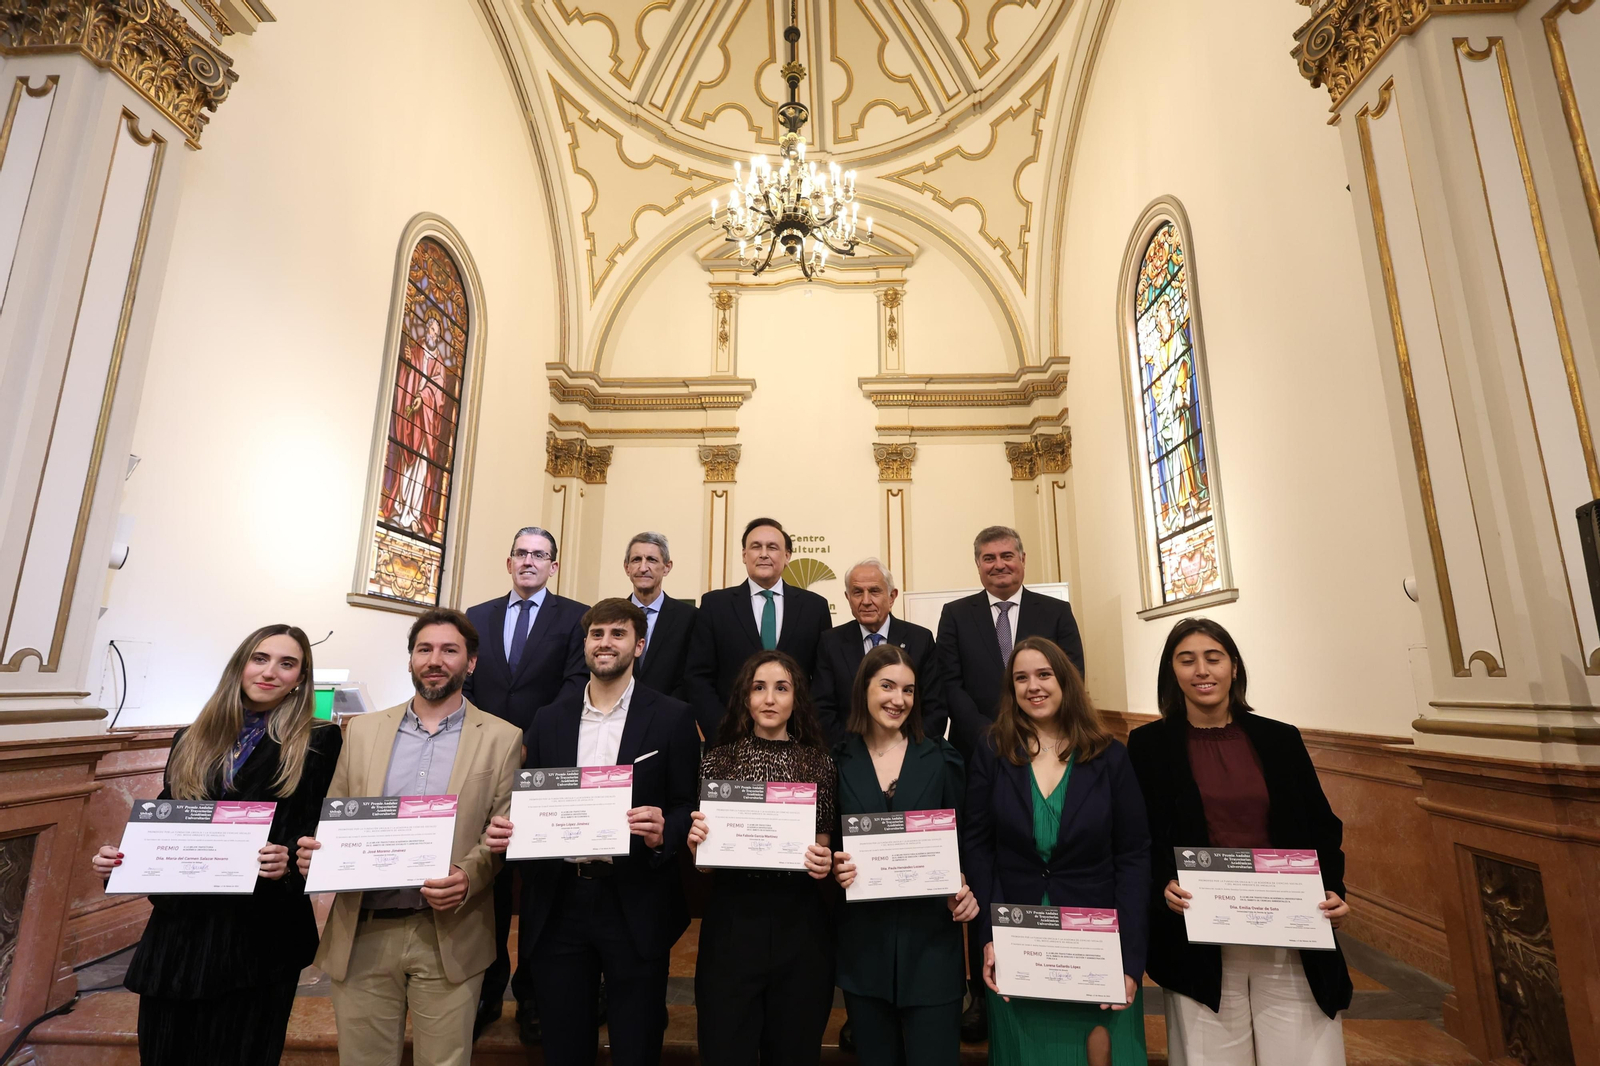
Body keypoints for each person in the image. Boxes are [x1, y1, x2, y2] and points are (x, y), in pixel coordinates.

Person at [90, 625, 341, 1066]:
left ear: (301, 678)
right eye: (260, 658)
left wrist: (288, 859)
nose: (270, 672)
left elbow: (311, 829)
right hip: (179, 933)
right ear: (240, 665)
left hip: (258, 932)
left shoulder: (318, 741)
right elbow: (169, 817)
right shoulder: (191, 737)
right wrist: (123, 859)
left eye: (287, 664)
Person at [297, 609, 521, 1066]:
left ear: (471, 663)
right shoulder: (360, 731)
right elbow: (335, 815)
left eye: (449, 650)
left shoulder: (502, 737)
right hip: (364, 929)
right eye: (424, 649)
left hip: (450, 930)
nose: (434, 660)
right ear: (411, 660)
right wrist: (319, 853)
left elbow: (500, 833)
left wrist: (468, 873)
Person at [1126, 618, 1351, 1066]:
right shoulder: (1148, 745)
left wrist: (1333, 891)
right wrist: (1160, 886)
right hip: (1199, 934)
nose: (1201, 670)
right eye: (1186, 660)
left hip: (1288, 930)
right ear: (1172, 672)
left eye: (1213, 657)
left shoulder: (1279, 738)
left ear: (1233, 667)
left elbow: (1320, 824)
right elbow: (1139, 837)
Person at [487, 598, 700, 1066]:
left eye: (618, 634)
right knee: (563, 1043)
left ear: (638, 645)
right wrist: (510, 829)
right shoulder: (549, 718)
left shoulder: (671, 716)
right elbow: (530, 802)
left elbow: (687, 803)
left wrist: (666, 827)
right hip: (560, 899)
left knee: (637, 1041)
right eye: (597, 634)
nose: (606, 643)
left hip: (636, 897)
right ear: (584, 644)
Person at [965, 636, 1150, 1066]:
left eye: (1044, 674)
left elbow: (1134, 856)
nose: (1034, 686)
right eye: (1021, 678)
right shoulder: (992, 752)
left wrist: (1130, 957)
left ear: (1065, 680)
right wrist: (989, 937)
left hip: (1096, 948)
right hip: (1018, 944)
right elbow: (977, 846)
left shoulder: (1110, 757)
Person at [936, 525, 1086, 1038]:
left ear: (1023, 559)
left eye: (1006, 556)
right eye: (987, 558)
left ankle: (1059, 967)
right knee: (978, 869)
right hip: (982, 755)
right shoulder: (956, 615)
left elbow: (1073, 673)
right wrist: (996, 737)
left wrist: (1031, 733)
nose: (997, 565)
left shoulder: (1055, 612)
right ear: (977, 564)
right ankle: (981, 989)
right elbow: (949, 685)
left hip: (1053, 750)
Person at [463, 525, 588, 1041]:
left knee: (538, 882)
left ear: (554, 566)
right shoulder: (477, 617)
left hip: (542, 760)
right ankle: (488, 988)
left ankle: (532, 990)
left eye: (541, 555)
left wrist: (531, 738)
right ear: (508, 561)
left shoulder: (576, 616)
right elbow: (465, 683)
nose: (530, 562)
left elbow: (574, 685)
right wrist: (487, 740)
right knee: (485, 871)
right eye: (522, 553)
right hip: (482, 764)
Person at [688, 650, 838, 1066]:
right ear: (745, 698)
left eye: (781, 688)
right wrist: (696, 843)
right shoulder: (718, 760)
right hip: (733, 921)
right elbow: (704, 861)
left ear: (796, 699)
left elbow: (821, 845)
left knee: (794, 1049)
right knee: (724, 1047)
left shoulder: (819, 763)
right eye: (759, 688)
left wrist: (821, 862)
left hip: (800, 925)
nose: (769, 698)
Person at [832, 643, 975, 1066]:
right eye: (888, 686)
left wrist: (966, 885)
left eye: (909, 690)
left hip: (931, 945)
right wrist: (836, 864)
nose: (899, 700)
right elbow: (828, 843)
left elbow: (962, 843)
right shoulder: (837, 761)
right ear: (864, 690)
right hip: (865, 947)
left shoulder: (942, 758)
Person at [684, 517, 832, 739]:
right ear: (745, 555)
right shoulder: (716, 605)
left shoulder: (815, 607)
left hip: (798, 740)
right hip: (730, 741)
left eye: (772, 547)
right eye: (756, 547)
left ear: (787, 556)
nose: (764, 553)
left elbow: (822, 680)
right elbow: (698, 676)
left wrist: (808, 730)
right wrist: (722, 730)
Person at [813, 558, 946, 746]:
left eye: (874, 591)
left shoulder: (920, 640)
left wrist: (904, 752)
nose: (866, 601)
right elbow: (822, 710)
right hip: (847, 758)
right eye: (857, 592)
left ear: (892, 597)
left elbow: (935, 709)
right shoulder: (830, 642)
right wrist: (855, 753)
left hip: (910, 756)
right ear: (847, 597)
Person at [624, 531, 699, 700]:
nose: (643, 568)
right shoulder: (612, 617)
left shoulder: (689, 618)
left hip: (670, 714)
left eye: (651, 560)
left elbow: (691, 676)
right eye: (636, 560)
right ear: (626, 567)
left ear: (667, 567)